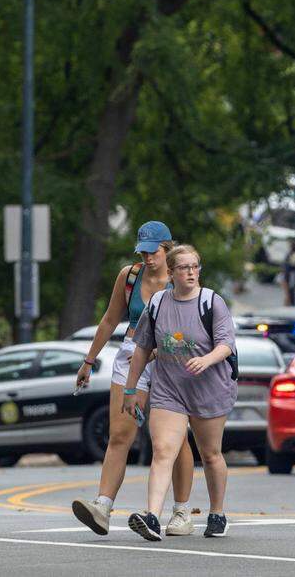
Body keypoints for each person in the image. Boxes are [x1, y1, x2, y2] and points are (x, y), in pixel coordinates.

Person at [70, 221, 196, 537]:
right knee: (119, 435)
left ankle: (181, 512)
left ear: (167, 248)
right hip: (130, 354)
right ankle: (102, 506)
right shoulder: (129, 276)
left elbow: (190, 329)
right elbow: (110, 318)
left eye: (153, 251)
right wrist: (89, 360)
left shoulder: (180, 278)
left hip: (170, 359)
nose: (148, 257)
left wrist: (157, 351)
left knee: (173, 440)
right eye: (143, 251)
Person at [123, 245, 237, 541]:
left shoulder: (212, 302)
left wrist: (207, 359)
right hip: (169, 389)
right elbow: (142, 348)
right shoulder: (159, 303)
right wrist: (131, 388)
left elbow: (226, 344)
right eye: (184, 267)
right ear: (171, 273)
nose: (190, 272)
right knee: (163, 451)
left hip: (209, 388)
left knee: (210, 454)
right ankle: (151, 517)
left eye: (195, 266)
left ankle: (217, 514)